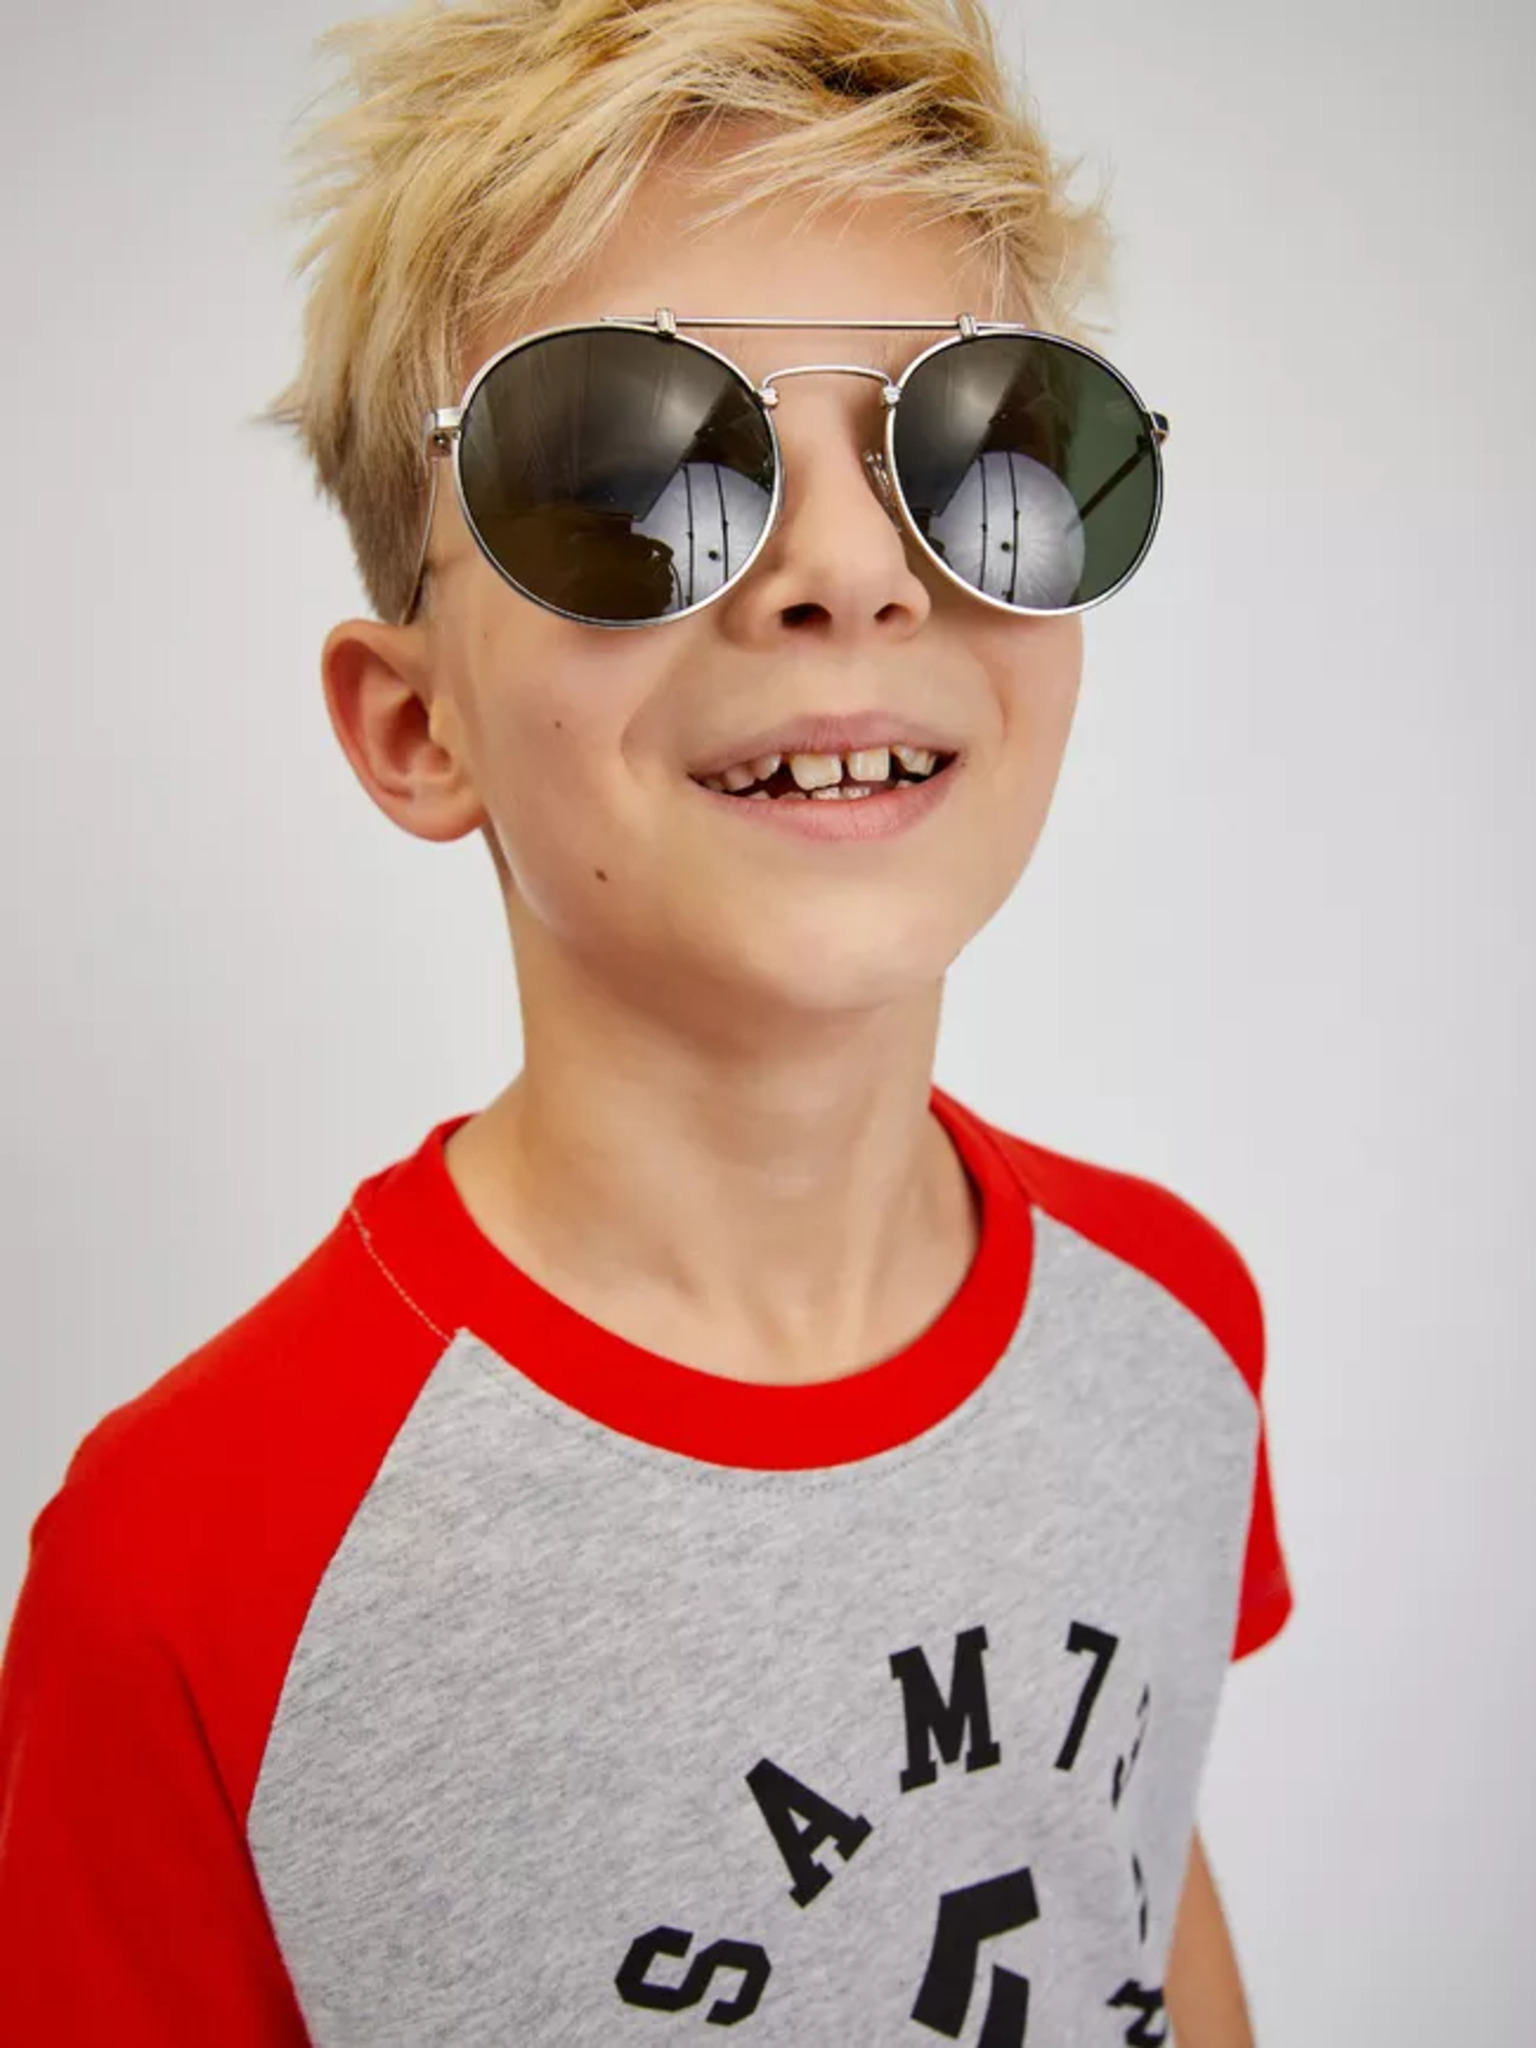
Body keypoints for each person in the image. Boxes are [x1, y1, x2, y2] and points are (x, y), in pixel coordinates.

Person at [0, 0, 1291, 2040]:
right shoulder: (190, 1567)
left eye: (979, 452)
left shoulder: (1175, 1331)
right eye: (632, 468)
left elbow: (1131, 1877)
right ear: (415, 725)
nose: (851, 571)